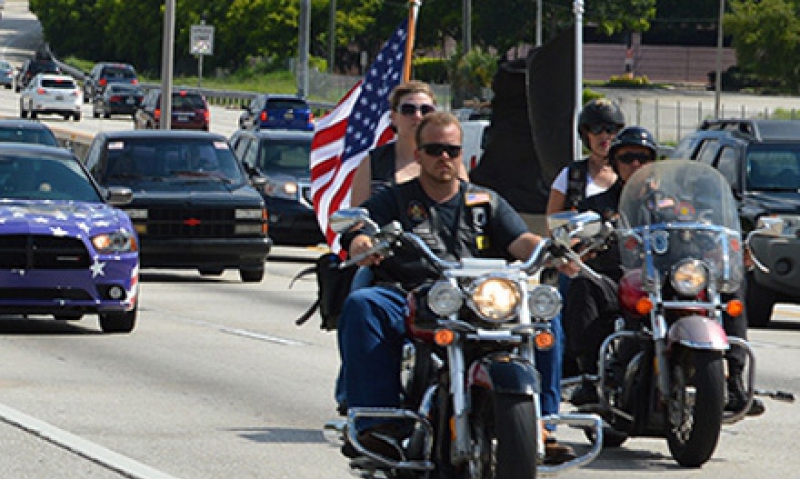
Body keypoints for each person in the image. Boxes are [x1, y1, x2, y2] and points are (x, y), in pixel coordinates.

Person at [337, 111, 572, 462]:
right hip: (411, 292)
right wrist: (360, 242)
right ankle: (377, 424)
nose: (444, 157)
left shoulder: (483, 201)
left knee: (543, 313)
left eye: (451, 149)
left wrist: (548, 249)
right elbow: (361, 226)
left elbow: (519, 239)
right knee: (364, 304)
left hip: (478, 298)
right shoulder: (396, 200)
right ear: (418, 155)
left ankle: (541, 423)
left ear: (462, 154)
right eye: (434, 149)